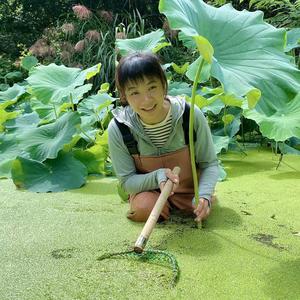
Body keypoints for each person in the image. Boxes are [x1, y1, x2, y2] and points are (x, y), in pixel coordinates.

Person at [108, 52, 219, 223]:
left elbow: (209, 163)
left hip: (190, 193)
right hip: (150, 195)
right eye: (134, 92)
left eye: (152, 87)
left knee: (200, 207)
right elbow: (127, 181)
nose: (146, 100)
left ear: (164, 85)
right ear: (124, 96)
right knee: (143, 208)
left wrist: (204, 195)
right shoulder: (119, 128)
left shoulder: (189, 115)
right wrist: (157, 176)